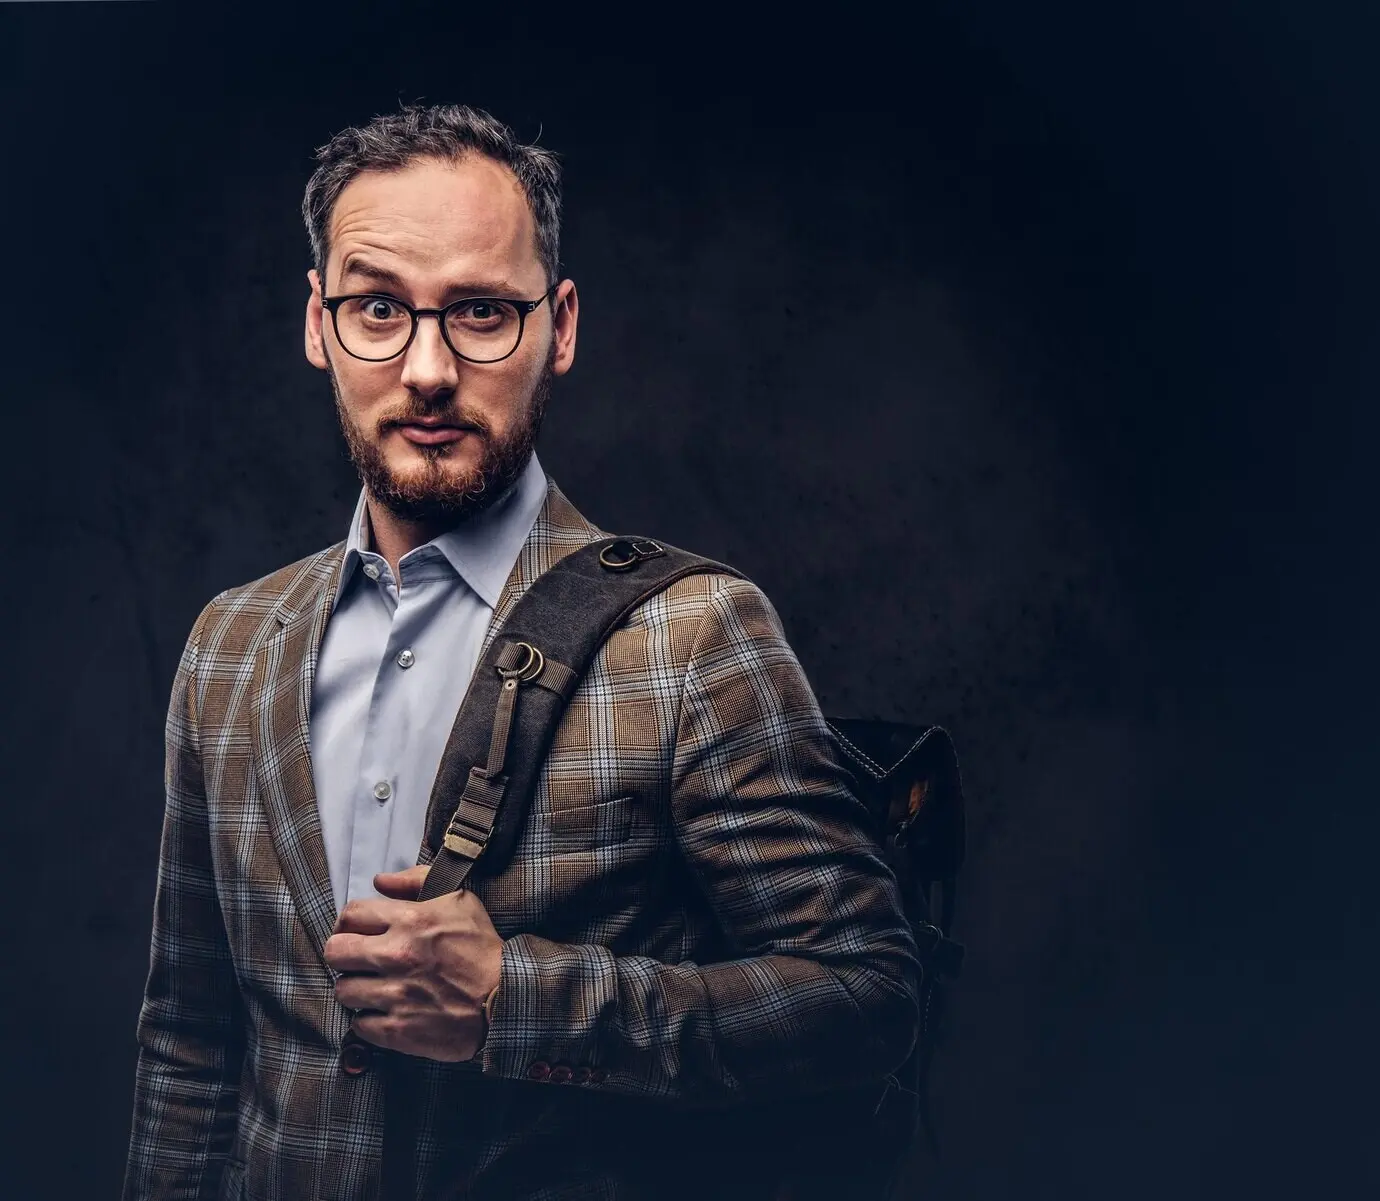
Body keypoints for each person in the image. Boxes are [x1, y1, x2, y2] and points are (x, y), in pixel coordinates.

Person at [121, 102, 922, 1201]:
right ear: (317, 324)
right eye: (377, 308)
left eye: (483, 312)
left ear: (562, 326)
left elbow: (866, 995)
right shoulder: (229, 646)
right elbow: (189, 1044)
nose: (428, 368)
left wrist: (517, 1000)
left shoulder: (691, 635)